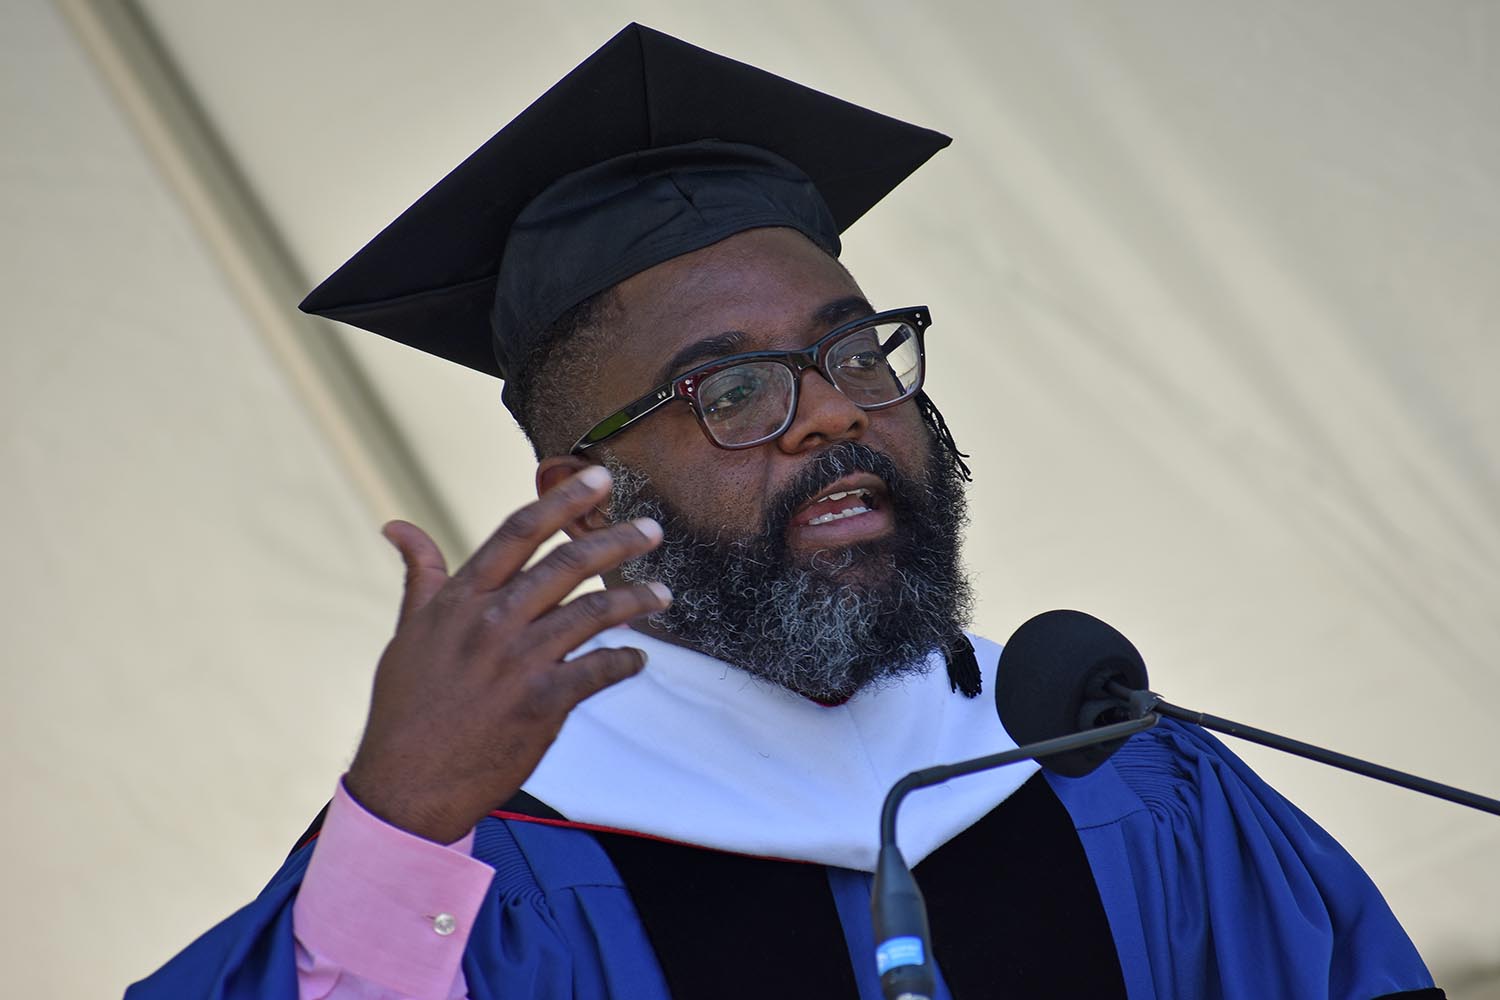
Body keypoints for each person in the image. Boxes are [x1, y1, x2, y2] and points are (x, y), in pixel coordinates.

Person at [128, 24, 1442, 1000]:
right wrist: (399, 829)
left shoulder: (1112, 771)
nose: (833, 412)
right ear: (586, 495)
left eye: (857, 351)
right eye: (732, 388)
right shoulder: (496, 856)